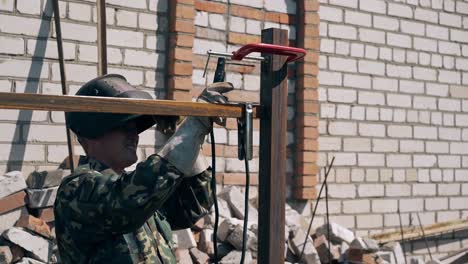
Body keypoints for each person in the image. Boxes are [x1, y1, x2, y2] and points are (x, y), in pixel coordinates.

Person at [54, 74, 232, 263]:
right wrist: (194, 126)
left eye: (135, 128)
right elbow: (127, 202)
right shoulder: (76, 190)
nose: (134, 136)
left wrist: (185, 135)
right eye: (124, 127)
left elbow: (193, 206)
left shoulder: (137, 192)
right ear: (92, 132)